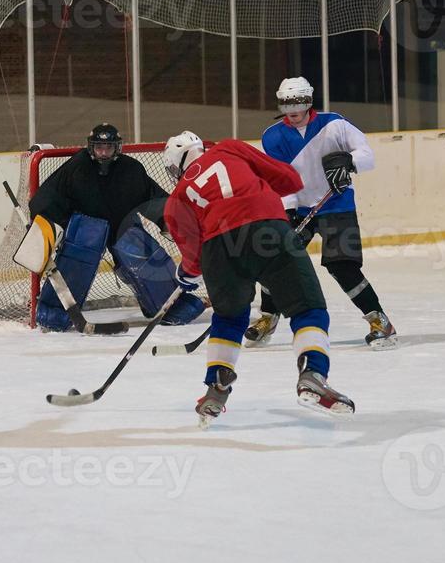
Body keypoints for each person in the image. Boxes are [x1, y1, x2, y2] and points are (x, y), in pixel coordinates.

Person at [161, 131, 355, 428]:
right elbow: (290, 179)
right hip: (268, 230)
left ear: (177, 165)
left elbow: (194, 260)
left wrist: (186, 277)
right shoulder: (229, 148)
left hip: (218, 249)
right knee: (307, 308)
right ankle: (313, 372)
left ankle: (216, 388)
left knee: (228, 318)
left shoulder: (176, 198)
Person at [246, 77, 397, 349]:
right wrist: (288, 211)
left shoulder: (334, 124)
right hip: (300, 206)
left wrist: (350, 162)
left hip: (336, 205)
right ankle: (267, 317)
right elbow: (281, 178)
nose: (291, 108)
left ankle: (380, 320)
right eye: (286, 102)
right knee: (275, 259)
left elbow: (367, 154)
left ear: (308, 101)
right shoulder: (272, 136)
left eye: (297, 101)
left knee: (343, 266)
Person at [27, 123, 206, 331]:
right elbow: (45, 199)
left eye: (108, 148)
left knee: (137, 247)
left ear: (117, 148)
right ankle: (54, 313)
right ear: (90, 147)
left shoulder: (131, 169)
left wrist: (171, 220)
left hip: (123, 227)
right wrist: (52, 226)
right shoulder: (76, 167)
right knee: (84, 242)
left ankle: (171, 306)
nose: (103, 153)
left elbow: (153, 198)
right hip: (86, 231)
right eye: (99, 148)